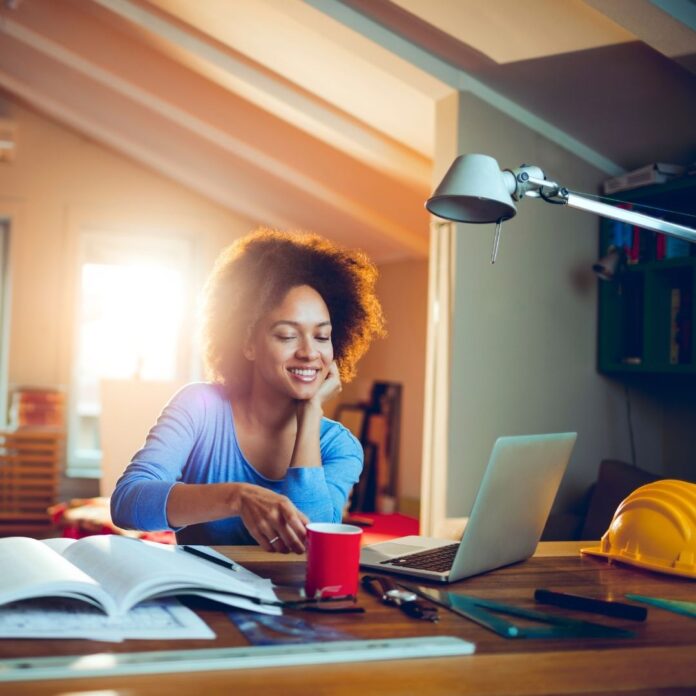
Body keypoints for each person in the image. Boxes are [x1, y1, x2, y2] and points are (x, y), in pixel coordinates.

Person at [110, 228, 385, 553]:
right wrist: (237, 497)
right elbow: (127, 502)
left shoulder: (340, 447)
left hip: (294, 602)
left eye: (322, 336)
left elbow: (311, 544)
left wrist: (310, 417)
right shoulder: (200, 407)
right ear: (248, 343)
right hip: (202, 600)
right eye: (287, 335)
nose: (310, 353)